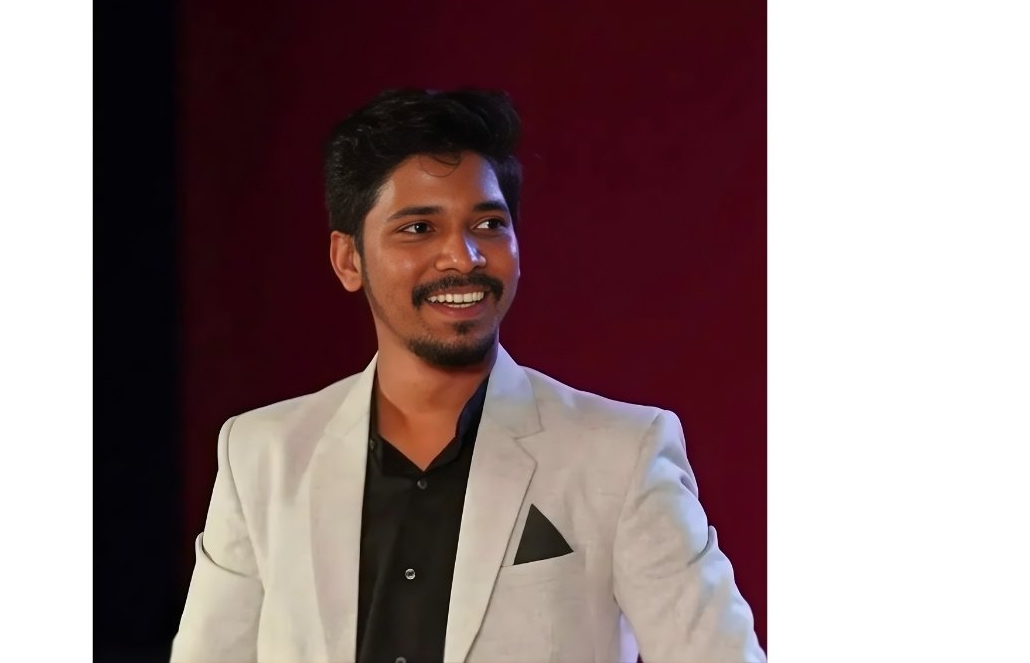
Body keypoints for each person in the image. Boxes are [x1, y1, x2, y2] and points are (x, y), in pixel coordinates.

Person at [171, 88, 765, 663]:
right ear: (349, 260)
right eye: (418, 228)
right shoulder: (263, 455)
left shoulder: (620, 454)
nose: (464, 257)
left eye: (487, 225)